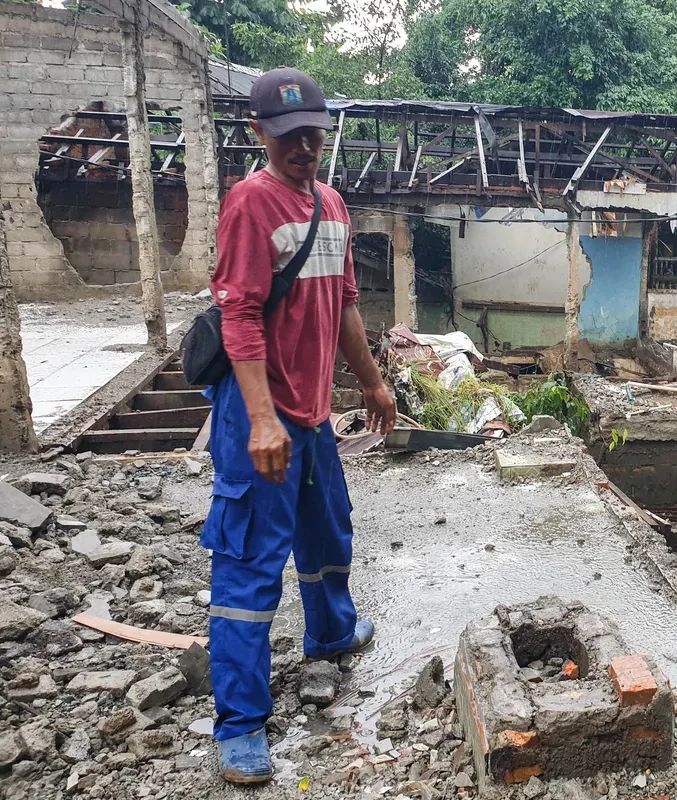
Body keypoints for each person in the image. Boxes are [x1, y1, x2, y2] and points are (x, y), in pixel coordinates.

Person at [202, 67, 398, 784]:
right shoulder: (250, 204)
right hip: (260, 413)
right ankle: (242, 726)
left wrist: (373, 384)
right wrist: (260, 419)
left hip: (314, 413)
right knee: (252, 564)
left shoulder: (334, 206)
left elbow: (345, 303)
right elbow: (240, 315)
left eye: (314, 134)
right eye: (289, 137)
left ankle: (332, 634)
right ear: (261, 135)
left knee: (327, 529)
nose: (304, 148)